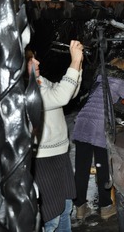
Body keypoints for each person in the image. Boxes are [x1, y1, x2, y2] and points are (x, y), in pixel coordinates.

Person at [26, 40, 84, 231]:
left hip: (59, 155)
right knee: (51, 216)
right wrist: (73, 63)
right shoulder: (25, 92)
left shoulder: (41, 81)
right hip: (42, 159)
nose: (38, 63)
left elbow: (69, 92)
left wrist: (79, 64)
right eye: (31, 61)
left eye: (36, 59)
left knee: (66, 208)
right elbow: (61, 97)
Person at [71, 58, 124, 221]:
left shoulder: (100, 78)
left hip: (82, 120)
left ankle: (80, 208)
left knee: (81, 168)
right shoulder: (121, 81)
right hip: (99, 125)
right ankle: (106, 207)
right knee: (103, 166)